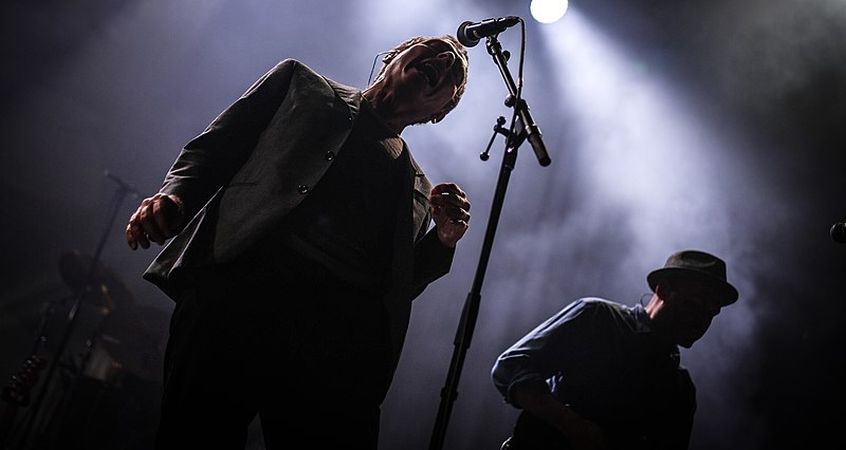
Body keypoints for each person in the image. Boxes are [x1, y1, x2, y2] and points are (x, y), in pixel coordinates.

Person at [124, 34, 472, 450]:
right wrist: (174, 196)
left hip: (334, 345)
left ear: (440, 112)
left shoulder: (418, 189)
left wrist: (443, 242)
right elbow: (217, 146)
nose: (445, 60)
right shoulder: (300, 84)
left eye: (455, 73)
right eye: (435, 50)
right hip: (238, 293)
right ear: (394, 54)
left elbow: (396, 288)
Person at [491, 250, 739, 450]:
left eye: (712, 312)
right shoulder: (598, 317)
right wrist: (569, 423)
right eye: (694, 304)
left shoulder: (680, 388)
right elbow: (510, 366)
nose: (702, 319)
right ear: (662, 290)